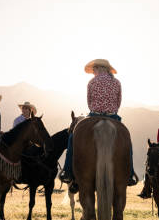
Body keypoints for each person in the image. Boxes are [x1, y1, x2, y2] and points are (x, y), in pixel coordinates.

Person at [59, 59, 138, 191]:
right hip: (113, 117)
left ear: (100, 68)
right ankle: (129, 174)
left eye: (94, 69)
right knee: (127, 141)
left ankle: (68, 172)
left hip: (94, 116)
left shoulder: (91, 82)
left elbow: (89, 102)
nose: (93, 72)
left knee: (72, 138)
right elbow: (118, 102)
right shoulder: (117, 82)